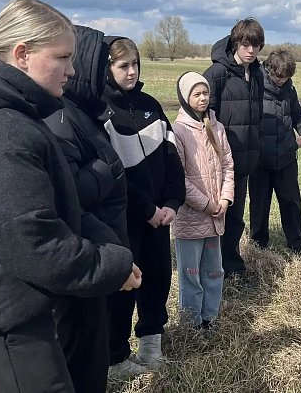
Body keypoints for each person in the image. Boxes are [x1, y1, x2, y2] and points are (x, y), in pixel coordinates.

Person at [0, 0, 138, 393]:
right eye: (63, 57)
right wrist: (111, 266)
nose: (72, 70)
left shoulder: (13, 116)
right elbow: (34, 244)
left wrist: (111, 247)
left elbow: (58, 206)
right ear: (22, 54)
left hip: (11, 310)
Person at [43, 25, 131, 392]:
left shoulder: (82, 112)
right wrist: (108, 168)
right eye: (99, 66)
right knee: (81, 351)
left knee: (96, 342)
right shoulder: (61, 118)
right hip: (87, 250)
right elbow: (67, 191)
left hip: (102, 241)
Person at [103, 37, 186, 375]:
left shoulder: (151, 105)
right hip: (125, 220)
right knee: (124, 286)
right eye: (123, 65)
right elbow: (112, 174)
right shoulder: (101, 112)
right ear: (108, 68)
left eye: (135, 64)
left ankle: (151, 347)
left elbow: (171, 156)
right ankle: (116, 357)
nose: (132, 71)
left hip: (160, 217)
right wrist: (147, 210)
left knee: (157, 279)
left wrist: (172, 203)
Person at [172, 72, 234, 329]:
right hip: (191, 218)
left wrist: (225, 199)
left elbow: (228, 165)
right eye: (196, 94)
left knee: (214, 270)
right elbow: (179, 178)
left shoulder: (217, 128)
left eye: (205, 93)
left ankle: (210, 317)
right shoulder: (178, 131)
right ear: (185, 97)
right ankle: (191, 324)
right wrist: (207, 205)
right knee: (191, 274)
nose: (203, 98)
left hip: (216, 216)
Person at [203, 18, 264, 278]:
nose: (251, 50)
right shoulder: (218, 73)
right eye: (246, 44)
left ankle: (231, 265)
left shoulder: (257, 73)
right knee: (217, 214)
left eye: (256, 45)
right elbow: (204, 115)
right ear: (236, 43)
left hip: (245, 159)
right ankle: (212, 266)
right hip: (220, 161)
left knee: (236, 215)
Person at [249, 49, 301, 255]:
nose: (281, 80)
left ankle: (297, 244)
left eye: (286, 77)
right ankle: (258, 246)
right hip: (260, 160)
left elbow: (298, 114)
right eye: (278, 76)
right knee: (259, 204)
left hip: (286, 157)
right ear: (269, 69)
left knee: (291, 202)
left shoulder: (289, 89)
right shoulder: (254, 86)